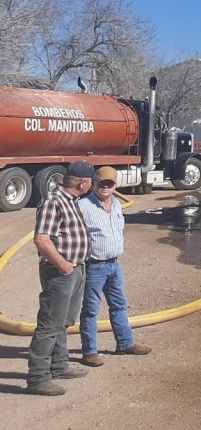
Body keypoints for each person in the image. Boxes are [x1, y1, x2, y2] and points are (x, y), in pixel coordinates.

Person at [26, 159, 95, 396]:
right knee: (49, 324)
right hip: (60, 272)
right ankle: (38, 377)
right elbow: (42, 239)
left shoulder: (72, 201)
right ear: (83, 182)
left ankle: (58, 366)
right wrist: (63, 264)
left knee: (64, 321)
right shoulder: (53, 202)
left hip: (76, 269)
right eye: (91, 181)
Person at [78, 166, 151, 366]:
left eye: (109, 184)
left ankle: (125, 344)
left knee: (119, 305)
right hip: (94, 267)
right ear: (94, 183)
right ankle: (90, 351)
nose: (105, 187)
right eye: (102, 183)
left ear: (115, 186)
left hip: (114, 265)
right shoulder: (83, 206)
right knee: (91, 310)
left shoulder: (117, 204)